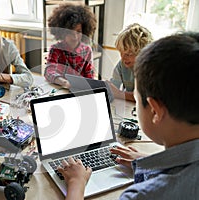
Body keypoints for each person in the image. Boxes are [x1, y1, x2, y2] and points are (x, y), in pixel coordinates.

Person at [57, 32, 199, 199]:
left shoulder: (142, 195)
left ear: (155, 111)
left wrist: (76, 183)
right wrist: (152, 162)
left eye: (137, 99)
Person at [44, 3, 97, 88]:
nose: (75, 36)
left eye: (78, 31)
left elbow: (89, 75)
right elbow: (49, 72)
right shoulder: (56, 49)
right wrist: (64, 83)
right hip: (60, 88)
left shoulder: (87, 50)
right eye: (70, 32)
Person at [107, 23, 153, 101]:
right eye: (121, 52)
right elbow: (113, 89)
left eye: (128, 54)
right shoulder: (122, 65)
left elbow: (144, 98)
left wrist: (118, 93)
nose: (123, 57)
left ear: (142, 53)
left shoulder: (150, 68)